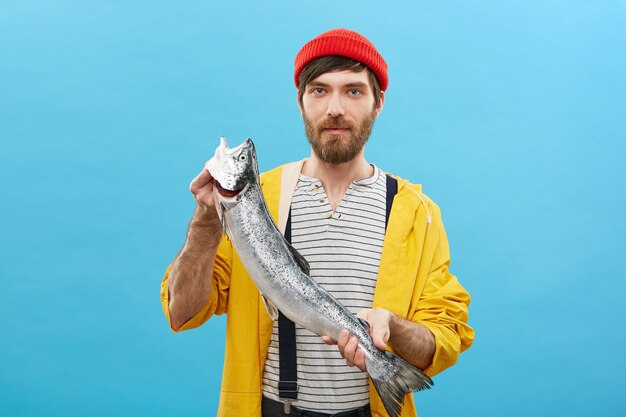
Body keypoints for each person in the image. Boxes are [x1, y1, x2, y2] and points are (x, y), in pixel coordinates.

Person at [161, 28, 474, 417]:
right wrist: (206, 221)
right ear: (301, 101)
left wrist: (392, 327)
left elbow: (445, 337)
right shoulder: (256, 201)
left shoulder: (416, 212)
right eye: (320, 90)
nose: (335, 108)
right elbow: (182, 312)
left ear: (378, 103)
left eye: (354, 91)